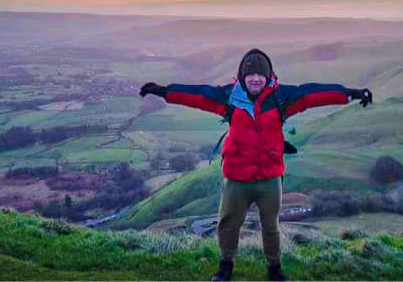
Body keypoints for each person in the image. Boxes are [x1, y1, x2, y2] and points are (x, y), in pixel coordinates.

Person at [140, 48, 372, 281]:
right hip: (237, 178)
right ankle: (225, 266)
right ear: (242, 76)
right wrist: (164, 92)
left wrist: (350, 94)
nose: (255, 78)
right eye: (250, 74)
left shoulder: (281, 98)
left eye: (261, 74)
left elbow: (313, 94)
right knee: (228, 224)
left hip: (269, 177)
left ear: (268, 76)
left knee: (271, 227)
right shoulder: (229, 97)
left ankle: (274, 268)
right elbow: (198, 95)